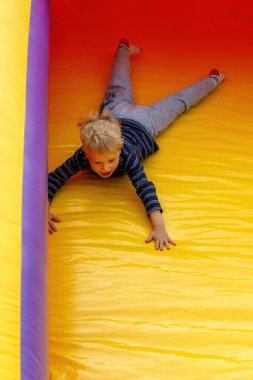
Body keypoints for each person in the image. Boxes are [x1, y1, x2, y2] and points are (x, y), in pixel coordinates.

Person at [48, 38, 225, 250]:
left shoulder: (126, 156)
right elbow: (54, 178)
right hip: (113, 113)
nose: (105, 168)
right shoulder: (83, 156)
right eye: (97, 163)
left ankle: (213, 80)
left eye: (111, 160)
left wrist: (158, 226)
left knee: (178, 103)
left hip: (144, 122)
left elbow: (144, 187)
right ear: (86, 154)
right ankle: (123, 48)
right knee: (117, 82)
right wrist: (43, 209)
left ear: (120, 147)